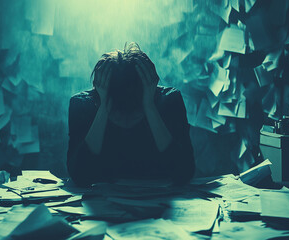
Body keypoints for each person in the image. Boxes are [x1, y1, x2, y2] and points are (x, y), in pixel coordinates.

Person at [67, 43, 195, 187]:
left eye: (134, 115)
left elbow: (184, 172)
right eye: (117, 115)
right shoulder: (83, 105)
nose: (126, 122)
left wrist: (150, 108)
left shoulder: (170, 101)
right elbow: (79, 176)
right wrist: (103, 110)